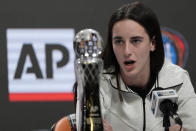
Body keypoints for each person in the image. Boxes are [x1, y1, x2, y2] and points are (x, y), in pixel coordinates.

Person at [52, 1, 196, 131]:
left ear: (153, 43)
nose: (127, 51)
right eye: (119, 41)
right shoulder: (97, 82)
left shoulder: (178, 79)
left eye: (136, 41)